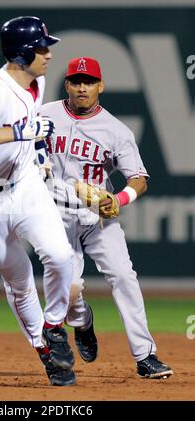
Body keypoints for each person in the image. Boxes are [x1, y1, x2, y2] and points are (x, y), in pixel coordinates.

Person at [0, 17, 76, 387]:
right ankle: (46, 353)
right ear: (23, 53)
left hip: (23, 187)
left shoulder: (35, 82)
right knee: (19, 280)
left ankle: (53, 326)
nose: (49, 53)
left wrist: (37, 152)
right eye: (42, 47)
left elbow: (29, 129)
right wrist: (21, 133)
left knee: (60, 255)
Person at [40, 56, 173, 379]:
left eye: (88, 82)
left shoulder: (115, 130)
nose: (82, 87)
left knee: (124, 276)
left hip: (98, 218)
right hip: (55, 216)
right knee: (69, 291)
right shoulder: (44, 115)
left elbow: (139, 178)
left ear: (101, 86)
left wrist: (119, 198)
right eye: (76, 81)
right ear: (67, 84)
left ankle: (146, 356)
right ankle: (83, 321)